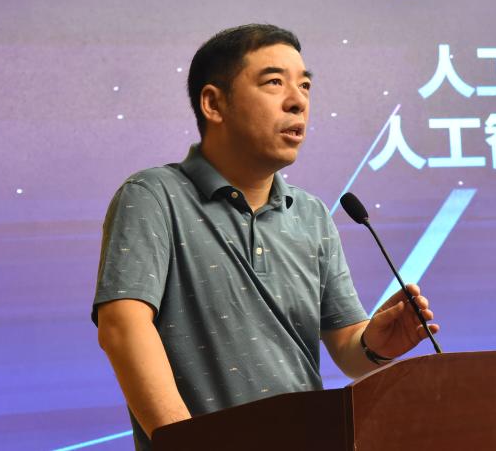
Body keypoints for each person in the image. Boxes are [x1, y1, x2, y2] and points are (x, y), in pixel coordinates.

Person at [92, 24, 438, 449]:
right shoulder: (154, 196)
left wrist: (374, 344)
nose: (298, 101)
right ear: (213, 103)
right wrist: (186, 442)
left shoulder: (311, 214)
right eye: (274, 82)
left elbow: (347, 348)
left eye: (305, 85)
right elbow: (121, 328)